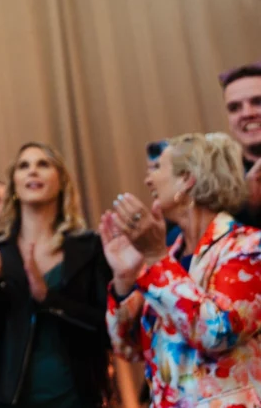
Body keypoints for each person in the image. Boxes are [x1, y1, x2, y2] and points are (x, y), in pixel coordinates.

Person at [102, 132, 261, 408]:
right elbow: (127, 347)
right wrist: (124, 279)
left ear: (187, 179)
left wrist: (155, 257)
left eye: (157, 168)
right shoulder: (169, 255)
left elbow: (217, 332)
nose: (147, 180)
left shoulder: (249, 247)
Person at [0, 143, 111, 408]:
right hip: (12, 399)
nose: (33, 172)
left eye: (43, 164)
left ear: (61, 181)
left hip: (77, 397)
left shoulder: (88, 247)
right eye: (24, 166)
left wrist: (48, 298)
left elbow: (108, 329)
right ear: (14, 185)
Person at [219, 61, 261, 228]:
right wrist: (247, 209)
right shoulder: (218, 185)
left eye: (258, 102)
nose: (247, 113)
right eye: (235, 107)